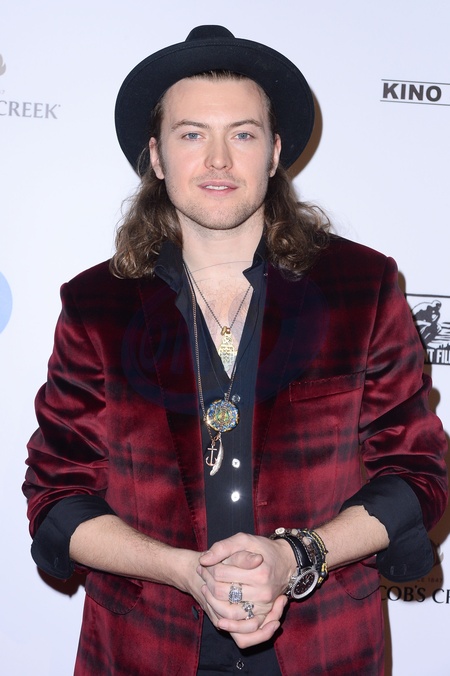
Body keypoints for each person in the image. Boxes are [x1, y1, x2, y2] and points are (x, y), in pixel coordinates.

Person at [23, 25, 448, 676]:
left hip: (325, 649)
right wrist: (181, 570)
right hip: (144, 650)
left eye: (242, 135)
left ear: (274, 153)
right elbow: (57, 493)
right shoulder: (96, 304)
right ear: (157, 156)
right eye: (192, 135)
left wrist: (297, 556)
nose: (218, 160)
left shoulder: (361, 287)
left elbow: (417, 474)